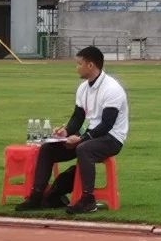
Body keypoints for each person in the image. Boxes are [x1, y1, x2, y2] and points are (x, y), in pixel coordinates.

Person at [16, 46, 129, 215]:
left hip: (111, 138)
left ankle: (87, 200)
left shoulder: (112, 89)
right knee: (48, 148)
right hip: (89, 134)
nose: (76, 67)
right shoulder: (83, 88)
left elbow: (107, 124)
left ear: (90, 65)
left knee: (84, 149)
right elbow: (78, 117)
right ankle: (37, 196)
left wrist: (81, 139)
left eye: (79, 63)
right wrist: (66, 132)